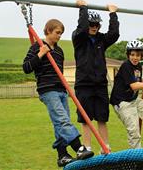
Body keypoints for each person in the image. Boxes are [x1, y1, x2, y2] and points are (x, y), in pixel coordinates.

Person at [22, 19, 94, 167]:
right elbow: (26, 67)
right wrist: (41, 54)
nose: (59, 36)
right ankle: (79, 148)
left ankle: (62, 155)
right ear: (48, 30)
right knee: (62, 120)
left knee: (60, 123)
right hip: (47, 90)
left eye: (61, 33)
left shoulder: (59, 51)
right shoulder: (37, 47)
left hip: (61, 90)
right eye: (57, 32)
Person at [72, 0, 120, 153]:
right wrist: (83, 8)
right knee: (86, 118)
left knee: (102, 117)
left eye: (96, 25)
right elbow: (82, 27)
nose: (93, 27)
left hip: (100, 84)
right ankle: (86, 147)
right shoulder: (79, 38)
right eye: (91, 24)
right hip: (84, 84)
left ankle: (105, 147)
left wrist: (112, 14)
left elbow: (114, 34)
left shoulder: (101, 40)